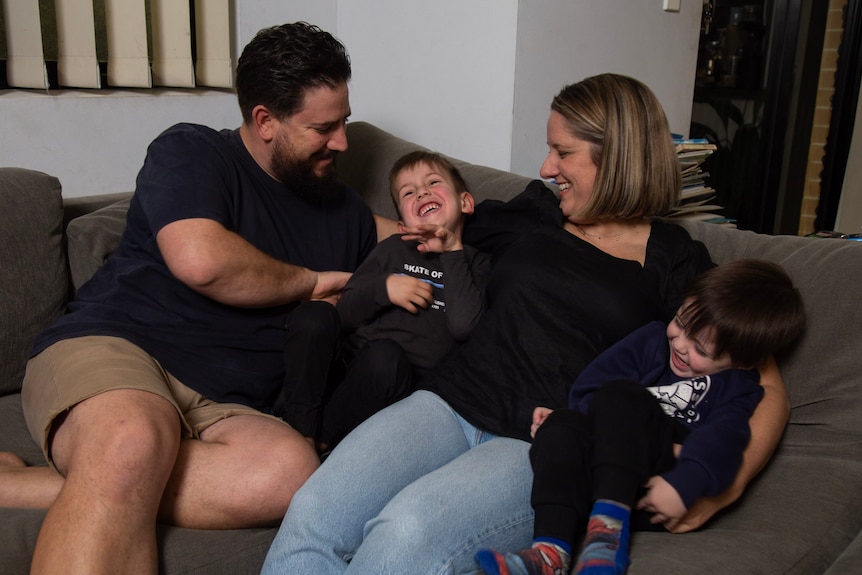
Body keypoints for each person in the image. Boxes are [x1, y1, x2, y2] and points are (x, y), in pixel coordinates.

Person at [261, 73, 790, 575]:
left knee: (406, 530)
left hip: (541, 443)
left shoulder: (675, 259)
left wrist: (724, 487)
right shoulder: (533, 211)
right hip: (448, 399)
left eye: (563, 152)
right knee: (316, 508)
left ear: (618, 158)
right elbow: (413, 229)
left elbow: (763, 382)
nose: (545, 166)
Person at [0, 22, 377, 574]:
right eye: (323, 128)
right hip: (117, 349)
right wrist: (311, 283)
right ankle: (106, 465)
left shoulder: (343, 211)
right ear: (265, 121)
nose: (342, 141)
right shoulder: (193, 151)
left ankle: (15, 485)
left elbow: (431, 236)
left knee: (288, 474)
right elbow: (201, 260)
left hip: (226, 405)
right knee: (131, 440)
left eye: (343, 121)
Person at [475, 259, 806, 575]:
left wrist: (685, 481)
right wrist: (579, 427)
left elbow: (724, 440)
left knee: (624, 396)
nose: (680, 343)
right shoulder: (651, 340)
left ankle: (606, 540)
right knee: (562, 423)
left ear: (746, 362)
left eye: (701, 350)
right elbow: (588, 391)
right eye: (681, 322)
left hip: (659, 488)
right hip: (603, 465)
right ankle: (550, 553)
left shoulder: (739, 387)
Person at [309, 151, 491, 448]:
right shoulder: (393, 250)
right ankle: (318, 440)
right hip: (358, 370)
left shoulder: (477, 264)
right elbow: (343, 316)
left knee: (389, 360)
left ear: (465, 202)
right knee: (356, 344)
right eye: (409, 192)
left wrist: (453, 252)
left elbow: (464, 327)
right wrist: (385, 289)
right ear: (402, 225)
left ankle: (329, 447)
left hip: (414, 391)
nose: (422, 192)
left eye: (433, 182)